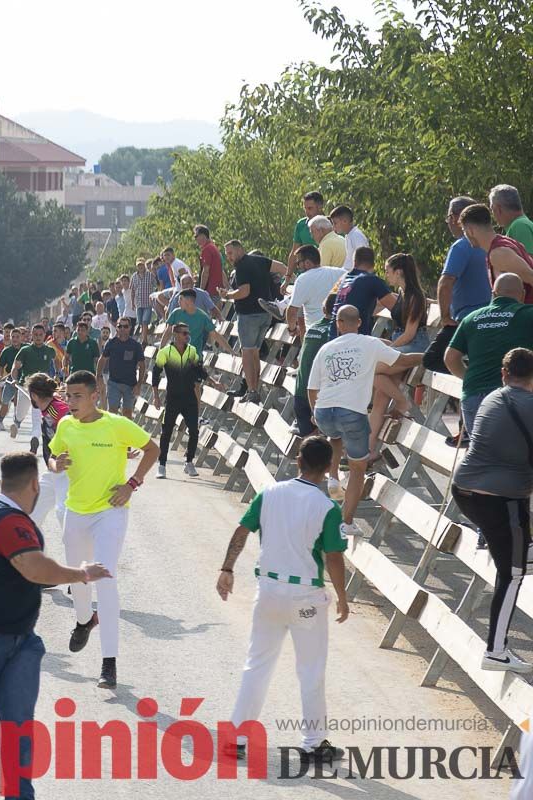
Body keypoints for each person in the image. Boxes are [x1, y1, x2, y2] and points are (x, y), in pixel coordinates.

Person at [0, 452, 109, 799]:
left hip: (18, 642)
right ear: (35, 484)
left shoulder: (7, 514)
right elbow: (34, 568)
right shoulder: (7, 521)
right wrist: (81, 574)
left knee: (19, 730)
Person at [217, 434, 349, 762]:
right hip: (306, 594)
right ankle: (314, 743)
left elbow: (241, 531)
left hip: (269, 591)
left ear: (298, 460)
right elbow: (334, 557)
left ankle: (238, 738)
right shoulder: (327, 507)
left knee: (257, 664)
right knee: (310, 669)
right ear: (329, 467)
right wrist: (344, 598)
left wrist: (227, 568)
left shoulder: (269, 493)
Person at [47, 370, 158, 688]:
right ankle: (84, 620)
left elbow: (153, 449)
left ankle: (109, 662)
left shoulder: (116, 424)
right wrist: (58, 465)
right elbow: (53, 457)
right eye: (67, 396)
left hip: (110, 512)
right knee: (78, 579)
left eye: (77, 396)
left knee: (106, 579)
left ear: (95, 396)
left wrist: (132, 484)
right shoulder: (65, 425)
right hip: (76, 512)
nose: (71, 402)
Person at [451, 347, 533, 673]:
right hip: (501, 500)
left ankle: (511, 549)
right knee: (512, 574)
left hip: (465, 492)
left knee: (514, 553)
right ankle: (496, 651)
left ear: (504, 374)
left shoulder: (490, 398)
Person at [308, 305, 423, 530]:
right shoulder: (370, 343)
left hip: (324, 411)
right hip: (351, 412)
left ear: (338, 324)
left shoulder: (326, 348)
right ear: (359, 323)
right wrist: (430, 356)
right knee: (358, 468)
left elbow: (312, 388)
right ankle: (346, 522)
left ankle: (332, 477)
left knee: (335, 436)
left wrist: (315, 413)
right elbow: (402, 360)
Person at [446, 273, 533, 438]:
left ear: (493, 294)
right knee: (517, 454)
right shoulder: (528, 314)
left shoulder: (471, 319)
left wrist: (470, 378)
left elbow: (450, 358)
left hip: (472, 396)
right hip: (512, 396)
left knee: (483, 453)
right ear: (522, 295)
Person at [368, 254, 428, 457]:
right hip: (400, 344)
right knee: (379, 398)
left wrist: (389, 348)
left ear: (399, 271)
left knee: (372, 369)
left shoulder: (415, 296)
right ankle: (369, 451)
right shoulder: (401, 293)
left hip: (414, 346)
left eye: (388, 270)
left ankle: (402, 402)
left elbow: (410, 333)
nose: (386, 274)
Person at [425, 196, 491, 376]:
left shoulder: (462, 246)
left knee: (432, 358)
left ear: (455, 218)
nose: (448, 223)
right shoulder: (494, 243)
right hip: (492, 315)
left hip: (466, 318)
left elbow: (446, 282)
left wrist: (445, 316)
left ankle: (472, 382)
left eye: (448, 218)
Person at [221, 241, 288, 403]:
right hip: (265, 314)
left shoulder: (242, 266)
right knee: (255, 352)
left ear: (239, 250)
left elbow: (244, 292)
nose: (228, 257)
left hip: (248, 314)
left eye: (230, 253)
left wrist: (228, 295)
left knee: (247, 353)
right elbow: (283, 268)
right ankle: (254, 389)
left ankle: (252, 391)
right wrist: (288, 281)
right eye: (227, 254)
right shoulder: (260, 260)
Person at [153, 323, 213, 478]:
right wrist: (156, 397)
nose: (188, 336)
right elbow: (156, 374)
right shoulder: (165, 352)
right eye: (184, 333)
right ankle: (162, 465)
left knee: (194, 430)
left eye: (188, 333)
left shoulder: (192, 351)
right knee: (166, 432)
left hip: (189, 397)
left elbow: (199, 370)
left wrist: (213, 381)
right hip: (172, 398)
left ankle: (189, 462)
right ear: (176, 335)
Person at [461, 202, 533, 304]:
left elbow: (531, 276)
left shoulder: (498, 253)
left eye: (464, 230)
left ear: (470, 231)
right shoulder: (506, 243)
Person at [25, 373, 71, 531]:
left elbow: (77, 425)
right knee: (32, 512)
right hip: (52, 468)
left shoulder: (59, 409)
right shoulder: (52, 405)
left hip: (67, 469)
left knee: (64, 513)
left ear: (34, 395)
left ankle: (77, 551)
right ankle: (25, 550)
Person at [293, 295, 337, 438]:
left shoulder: (312, 329)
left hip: (300, 393)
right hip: (318, 395)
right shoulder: (335, 331)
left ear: (323, 309)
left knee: (311, 448)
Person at [330, 246, 397, 336]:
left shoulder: (343, 280)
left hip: (332, 338)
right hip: (356, 341)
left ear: (354, 262)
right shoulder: (371, 280)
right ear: (373, 264)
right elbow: (397, 308)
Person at [9, 324, 56, 451]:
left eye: (41, 335)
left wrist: (57, 377)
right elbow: (15, 367)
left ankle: (35, 438)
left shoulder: (49, 350)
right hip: (26, 387)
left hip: (42, 389)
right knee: (21, 413)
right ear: (32, 336)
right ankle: (17, 423)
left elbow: (56, 365)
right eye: (35, 335)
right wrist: (14, 379)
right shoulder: (25, 351)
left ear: (45, 335)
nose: (38, 337)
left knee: (37, 415)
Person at [97, 316, 144, 419]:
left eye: (125, 326)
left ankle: (125, 435)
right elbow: (102, 360)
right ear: (116, 328)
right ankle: (112, 434)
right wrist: (98, 377)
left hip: (130, 385)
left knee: (127, 414)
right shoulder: (111, 343)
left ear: (130, 328)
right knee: (112, 412)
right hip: (114, 383)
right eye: (120, 326)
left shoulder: (136, 346)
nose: (122, 329)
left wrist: (139, 384)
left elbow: (142, 365)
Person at [490, 184, 533, 256]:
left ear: (498, 208)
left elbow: (529, 262)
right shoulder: (522, 223)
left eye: (492, 209)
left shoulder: (519, 226)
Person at [289, 190, 324, 270]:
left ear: (320, 206)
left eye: (310, 208)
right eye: (305, 208)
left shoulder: (331, 225)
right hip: (305, 272)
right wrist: (288, 276)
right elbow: (294, 252)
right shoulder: (301, 224)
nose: (307, 212)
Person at [329, 205, 370, 272]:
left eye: (335, 223)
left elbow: (363, 261)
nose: (333, 227)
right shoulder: (348, 235)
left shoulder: (357, 236)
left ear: (345, 221)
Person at [195, 224, 225, 296]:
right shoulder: (213, 247)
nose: (195, 239)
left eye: (196, 236)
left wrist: (201, 291)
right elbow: (221, 271)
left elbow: (205, 272)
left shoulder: (207, 249)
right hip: (217, 290)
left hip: (210, 291)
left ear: (202, 235)